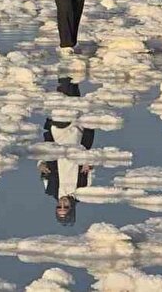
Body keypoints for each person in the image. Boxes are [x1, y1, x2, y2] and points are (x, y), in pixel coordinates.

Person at [37, 77, 95, 225]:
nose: (62, 204)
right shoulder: (83, 190)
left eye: (59, 207)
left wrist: (41, 165)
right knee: (73, 95)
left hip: (57, 136)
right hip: (77, 136)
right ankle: (71, 68)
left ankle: (66, 70)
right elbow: (91, 166)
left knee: (63, 99)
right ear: (72, 207)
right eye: (65, 207)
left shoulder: (50, 190)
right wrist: (88, 164)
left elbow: (43, 165)